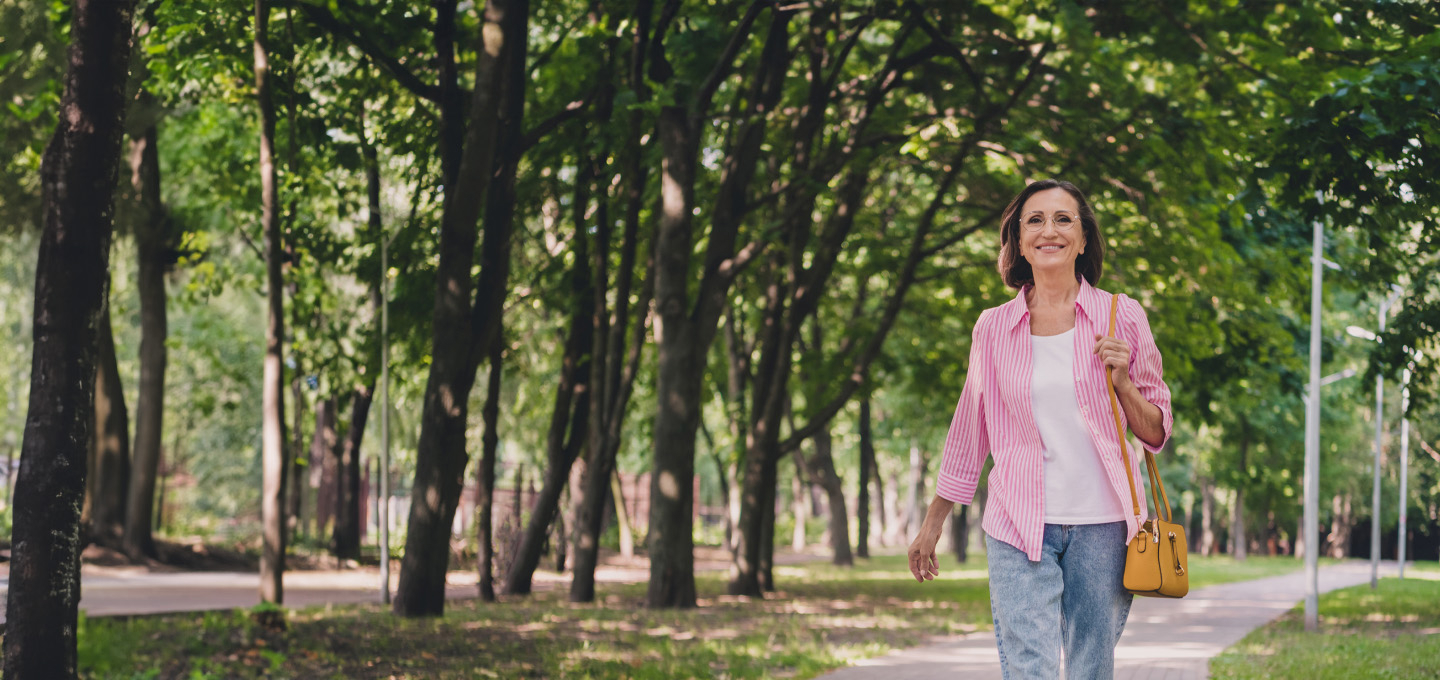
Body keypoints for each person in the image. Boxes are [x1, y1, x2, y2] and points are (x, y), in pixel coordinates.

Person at [907, 179, 1174, 679]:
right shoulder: (992, 327)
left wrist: (1123, 383)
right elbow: (970, 429)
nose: (1048, 230)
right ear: (1019, 241)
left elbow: (1156, 431)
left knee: (1089, 668)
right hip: (1017, 522)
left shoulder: (1122, 315)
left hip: (1105, 526)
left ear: (1083, 238)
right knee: (1030, 669)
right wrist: (933, 522)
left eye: (1062, 219)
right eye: (1035, 220)